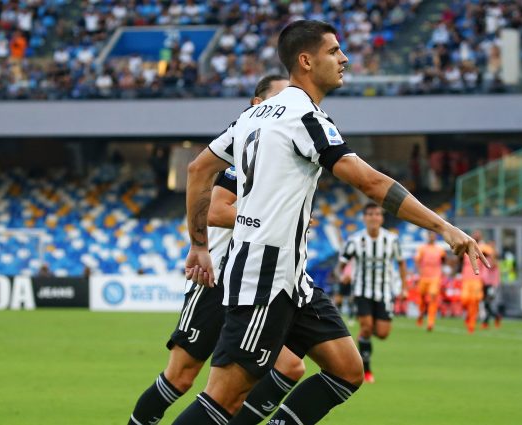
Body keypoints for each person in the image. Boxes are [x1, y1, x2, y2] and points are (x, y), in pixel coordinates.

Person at [177, 20, 487, 425]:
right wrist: (443, 226)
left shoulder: (253, 116)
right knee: (224, 398)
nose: (344, 58)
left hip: (292, 278)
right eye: (334, 51)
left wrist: (199, 244)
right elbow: (370, 183)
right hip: (263, 277)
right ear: (306, 61)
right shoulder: (304, 116)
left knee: (346, 371)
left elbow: (199, 169)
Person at [127, 75, 307, 425]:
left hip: (253, 280)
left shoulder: (279, 157)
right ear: (258, 105)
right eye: (281, 99)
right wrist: (277, 219)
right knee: (180, 377)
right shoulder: (242, 154)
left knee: (290, 367)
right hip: (216, 279)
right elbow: (215, 211)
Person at [336, 203, 407, 383]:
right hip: (362, 290)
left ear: (382, 218)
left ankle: (364, 337)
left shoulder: (392, 240)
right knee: (367, 327)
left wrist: (404, 287)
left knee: (382, 333)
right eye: (370, 214)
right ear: (364, 218)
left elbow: (401, 263)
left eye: (377, 214)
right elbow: (341, 265)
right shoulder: (355, 240)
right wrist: (343, 276)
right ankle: (366, 370)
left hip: (385, 291)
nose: (374, 217)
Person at [460, 230, 491, 334]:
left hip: (477, 279)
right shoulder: (466, 246)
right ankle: (468, 316)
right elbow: (460, 260)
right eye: (474, 234)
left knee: (474, 301)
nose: (476, 236)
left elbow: (488, 261)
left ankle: (471, 324)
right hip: (466, 278)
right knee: (464, 300)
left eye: (478, 234)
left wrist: (485, 277)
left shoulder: (484, 248)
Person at [415, 231, 446, 331]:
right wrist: (419, 271)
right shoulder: (422, 248)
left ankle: (430, 321)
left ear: (435, 237)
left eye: (433, 236)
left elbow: (444, 260)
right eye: (430, 236)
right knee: (422, 299)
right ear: (428, 237)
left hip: (435, 277)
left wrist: (442, 272)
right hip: (424, 277)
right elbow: (417, 260)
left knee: (432, 297)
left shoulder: (440, 250)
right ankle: (421, 314)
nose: (432, 237)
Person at [481, 240, 502, 329]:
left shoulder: (495, 260)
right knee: (485, 303)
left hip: (492, 284)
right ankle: (496, 316)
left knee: (488, 303)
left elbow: (492, 265)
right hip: (485, 283)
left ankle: (487, 321)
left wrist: (492, 253)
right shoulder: (486, 258)